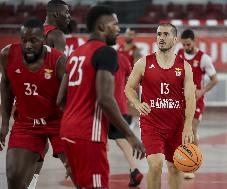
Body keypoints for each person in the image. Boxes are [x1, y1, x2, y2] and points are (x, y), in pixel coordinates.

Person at [57, 6, 145, 189]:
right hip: (89, 134)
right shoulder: (107, 52)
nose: (118, 29)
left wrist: (76, 115)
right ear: (102, 27)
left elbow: (60, 100)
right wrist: (131, 136)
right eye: (115, 25)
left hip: (67, 132)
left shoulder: (74, 55)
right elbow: (105, 99)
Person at [125, 23, 196, 189]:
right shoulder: (143, 63)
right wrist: (136, 102)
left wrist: (188, 126)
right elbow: (129, 87)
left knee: (175, 168)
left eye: (165, 34)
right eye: (159, 34)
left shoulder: (184, 66)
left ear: (174, 39)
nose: (161, 38)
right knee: (155, 165)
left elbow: (190, 98)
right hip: (152, 125)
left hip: (176, 127)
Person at [0, 18, 68, 189]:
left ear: (43, 40)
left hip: (58, 122)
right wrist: (4, 124)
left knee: (80, 173)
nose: (28, 45)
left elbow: (72, 97)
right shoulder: (7, 55)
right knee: (14, 177)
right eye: (24, 40)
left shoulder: (59, 61)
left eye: (33, 41)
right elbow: (6, 87)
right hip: (26, 122)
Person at [177, 29, 218, 179]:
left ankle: (192, 165)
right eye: (183, 44)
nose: (186, 47)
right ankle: (183, 159)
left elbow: (215, 79)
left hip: (196, 100)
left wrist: (202, 91)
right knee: (182, 131)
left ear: (194, 41)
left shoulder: (203, 58)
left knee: (192, 129)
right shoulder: (178, 55)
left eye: (188, 44)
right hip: (181, 99)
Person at [108, 52, 143, 187]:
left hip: (105, 105)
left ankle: (99, 173)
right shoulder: (123, 59)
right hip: (122, 107)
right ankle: (134, 170)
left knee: (100, 140)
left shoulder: (97, 55)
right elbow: (134, 83)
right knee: (121, 138)